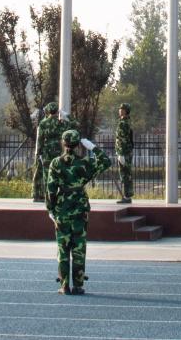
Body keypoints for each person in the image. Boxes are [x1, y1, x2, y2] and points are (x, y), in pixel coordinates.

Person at [47, 127, 112, 294]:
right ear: (78, 145)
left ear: (63, 143)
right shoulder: (84, 163)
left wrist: (50, 209)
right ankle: (78, 285)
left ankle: (64, 285)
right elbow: (106, 161)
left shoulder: (56, 163)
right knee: (79, 249)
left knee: (63, 249)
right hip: (80, 209)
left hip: (62, 210)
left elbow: (51, 189)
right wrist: (93, 147)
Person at [33, 103, 75, 202]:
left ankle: (47, 196)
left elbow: (40, 139)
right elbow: (74, 124)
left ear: (48, 111)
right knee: (58, 173)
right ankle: (58, 195)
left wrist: (38, 153)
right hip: (59, 151)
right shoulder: (62, 123)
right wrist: (65, 114)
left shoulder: (43, 123)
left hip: (46, 152)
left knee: (46, 174)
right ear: (57, 111)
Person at [115, 103, 134, 204]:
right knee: (126, 174)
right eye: (120, 109)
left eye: (122, 109)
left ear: (126, 111)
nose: (120, 110)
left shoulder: (124, 123)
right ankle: (127, 196)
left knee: (125, 174)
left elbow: (123, 139)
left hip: (124, 152)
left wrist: (121, 153)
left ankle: (127, 196)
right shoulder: (124, 121)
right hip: (125, 151)